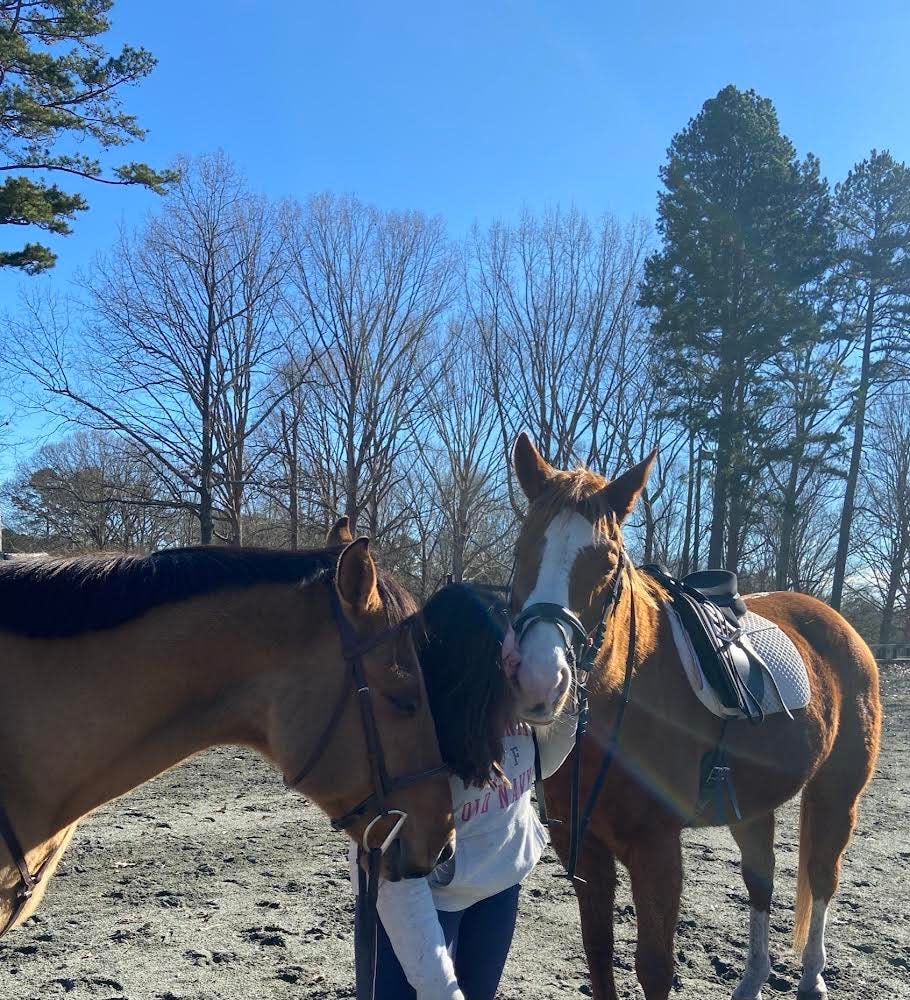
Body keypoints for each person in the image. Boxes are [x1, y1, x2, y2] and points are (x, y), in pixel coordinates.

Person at [352, 583, 578, 1000]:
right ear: (469, 671)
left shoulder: (510, 706)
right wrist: (439, 987)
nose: (518, 672)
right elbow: (394, 877)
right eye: (507, 666)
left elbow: (545, 762)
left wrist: (563, 689)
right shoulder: (413, 750)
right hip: (420, 901)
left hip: (498, 888)